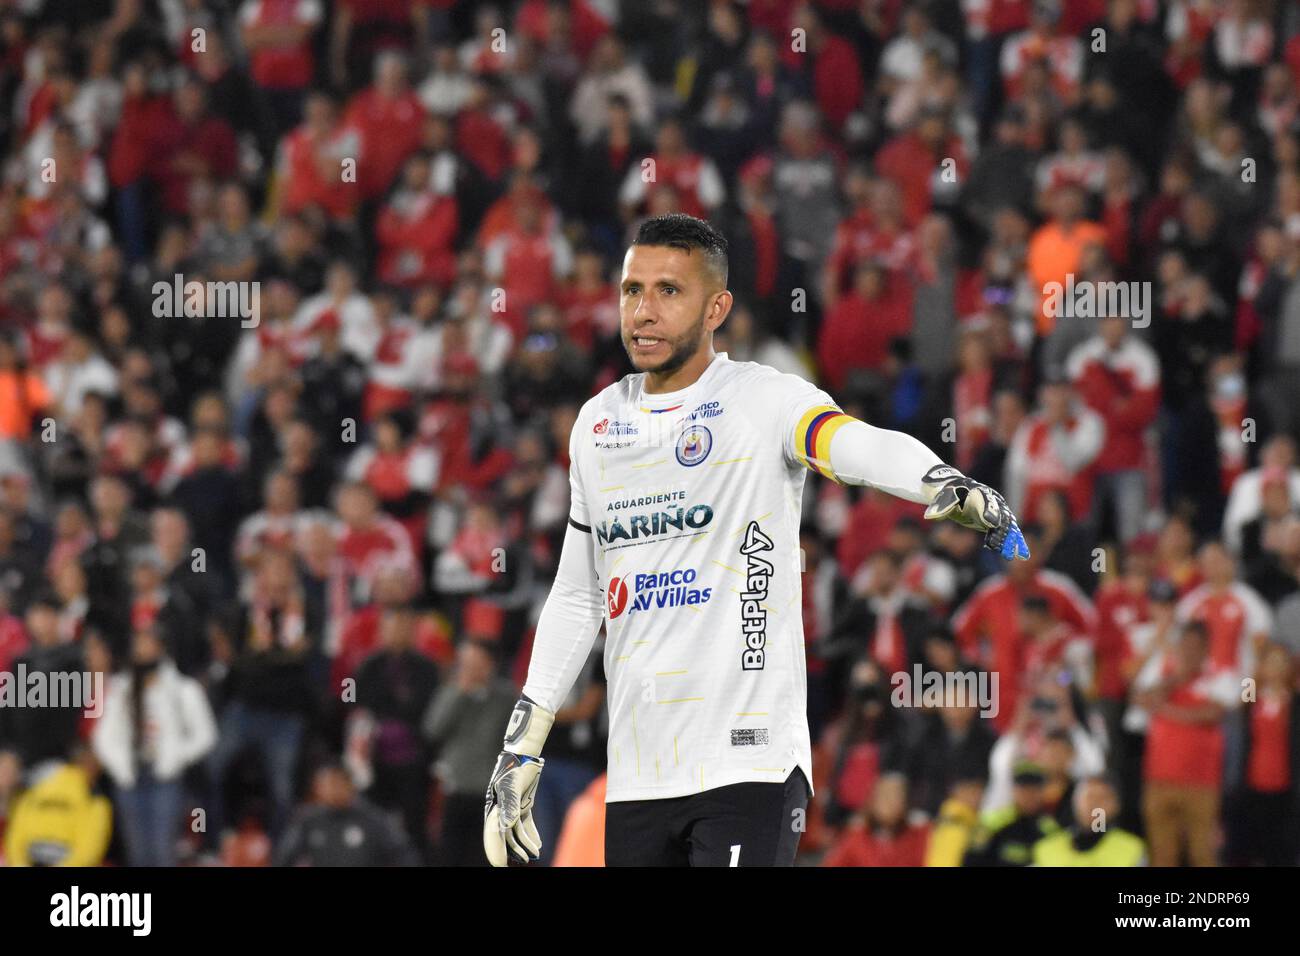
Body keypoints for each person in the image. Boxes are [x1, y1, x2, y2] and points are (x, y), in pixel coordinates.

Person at [482, 213, 1030, 868]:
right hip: (638, 773)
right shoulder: (597, 425)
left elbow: (851, 443)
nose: (644, 311)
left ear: (717, 308)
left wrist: (934, 477)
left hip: (747, 762)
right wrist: (523, 745)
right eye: (632, 291)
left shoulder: (762, 400)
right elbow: (577, 595)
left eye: (668, 291)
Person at [92, 624, 217, 867]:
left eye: (147, 642)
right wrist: (120, 766)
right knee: (138, 855)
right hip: (130, 778)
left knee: (162, 853)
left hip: (165, 779)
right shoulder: (121, 688)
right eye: (138, 643)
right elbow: (103, 735)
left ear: (161, 647)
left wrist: (176, 757)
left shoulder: (183, 689)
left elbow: (206, 734)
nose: (141, 649)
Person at [274, 761, 417, 867]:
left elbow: (405, 855)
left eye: (334, 784)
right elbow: (284, 857)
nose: (329, 791)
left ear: (349, 785)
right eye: (324, 786)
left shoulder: (374, 819)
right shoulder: (309, 820)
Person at [1031, 775, 1146, 866]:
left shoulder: (1131, 848)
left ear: (1116, 806)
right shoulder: (1046, 848)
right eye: (1089, 797)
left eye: (1102, 798)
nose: (1095, 804)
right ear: (1074, 802)